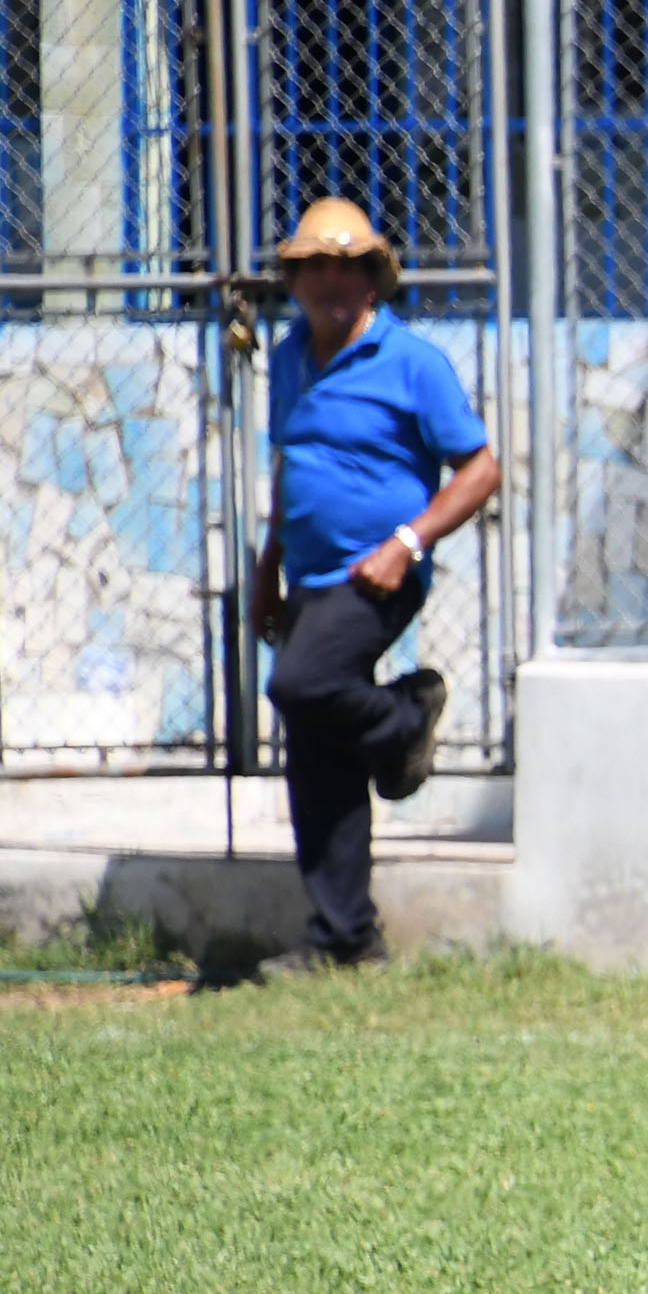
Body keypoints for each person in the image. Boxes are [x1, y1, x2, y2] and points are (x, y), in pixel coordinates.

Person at [247, 198, 500, 972]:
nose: (328, 281)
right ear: (295, 281)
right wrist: (267, 569)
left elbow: (481, 468)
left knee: (297, 684)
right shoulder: (289, 356)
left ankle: (403, 721)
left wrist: (406, 541)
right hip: (310, 576)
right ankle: (345, 939)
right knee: (317, 757)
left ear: (370, 280)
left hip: (379, 574)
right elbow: (295, 468)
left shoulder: (412, 362)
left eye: (343, 267)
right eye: (313, 267)